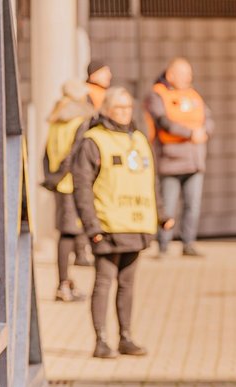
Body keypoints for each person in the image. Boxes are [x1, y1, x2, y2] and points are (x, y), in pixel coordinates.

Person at [73, 87, 175, 358]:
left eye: (127, 107)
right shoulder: (93, 141)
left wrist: (161, 215)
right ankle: (101, 341)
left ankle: (125, 337)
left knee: (128, 285)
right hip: (107, 226)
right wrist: (91, 226)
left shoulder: (139, 139)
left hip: (136, 224)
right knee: (104, 282)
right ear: (106, 109)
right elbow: (81, 187)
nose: (123, 113)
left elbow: (149, 182)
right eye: (118, 108)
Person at [144, 57, 214, 256]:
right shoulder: (158, 95)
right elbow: (163, 121)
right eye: (184, 74)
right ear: (170, 74)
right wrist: (190, 134)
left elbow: (208, 119)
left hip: (195, 162)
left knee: (193, 205)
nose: (189, 78)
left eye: (189, 74)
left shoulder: (193, 95)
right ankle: (163, 245)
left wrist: (204, 132)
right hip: (170, 161)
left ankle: (188, 243)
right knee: (168, 205)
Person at [42, 79, 95, 302]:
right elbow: (73, 155)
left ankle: (65, 282)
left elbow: (46, 153)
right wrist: (63, 176)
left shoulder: (56, 119)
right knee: (68, 234)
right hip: (71, 183)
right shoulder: (80, 120)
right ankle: (63, 284)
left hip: (59, 183)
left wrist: (50, 178)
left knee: (66, 233)